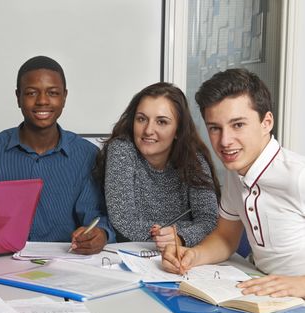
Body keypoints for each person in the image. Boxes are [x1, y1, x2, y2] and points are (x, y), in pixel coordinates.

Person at [162, 68, 305, 298]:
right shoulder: (236, 173)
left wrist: (300, 285)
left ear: (266, 122)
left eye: (238, 125)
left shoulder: (298, 176)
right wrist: (194, 255)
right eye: (215, 128)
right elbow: (226, 237)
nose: (225, 141)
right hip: (264, 293)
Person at [0, 55, 114, 254]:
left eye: (53, 93)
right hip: (5, 260)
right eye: (31, 93)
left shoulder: (86, 154)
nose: (42, 101)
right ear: (18, 97)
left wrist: (100, 233)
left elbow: (95, 215)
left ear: (64, 97)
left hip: (68, 261)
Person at [94, 82, 220, 251]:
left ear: (177, 130)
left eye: (161, 122)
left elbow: (209, 220)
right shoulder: (121, 149)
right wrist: (174, 232)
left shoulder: (193, 158)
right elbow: (123, 222)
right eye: (141, 119)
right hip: (131, 253)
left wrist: (180, 237)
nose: (148, 130)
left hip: (182, 253)